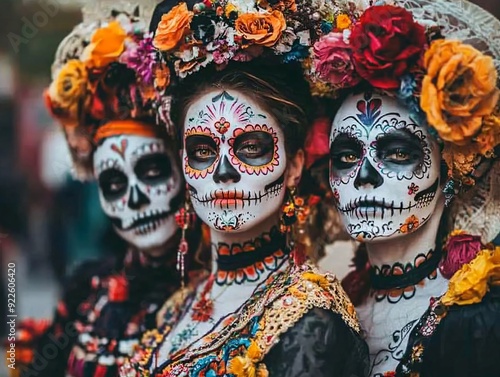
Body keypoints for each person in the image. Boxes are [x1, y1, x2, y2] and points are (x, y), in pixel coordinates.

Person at [120, 1, 369, 376]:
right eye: (202, 151)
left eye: (251, 148)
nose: (223, 172)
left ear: (294, 166)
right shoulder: (179, 305)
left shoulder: (311, 323)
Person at [306, 0, 500, 375]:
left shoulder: (479, 320)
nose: (364, 176)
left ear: (452, 169)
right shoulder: (327, 318)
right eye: (346, 156)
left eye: (397, 152)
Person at [18, 2, 205, 376]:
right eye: (114, 183)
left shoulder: (216, 296)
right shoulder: (87, 287)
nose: (134, 199)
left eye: (151, 170)